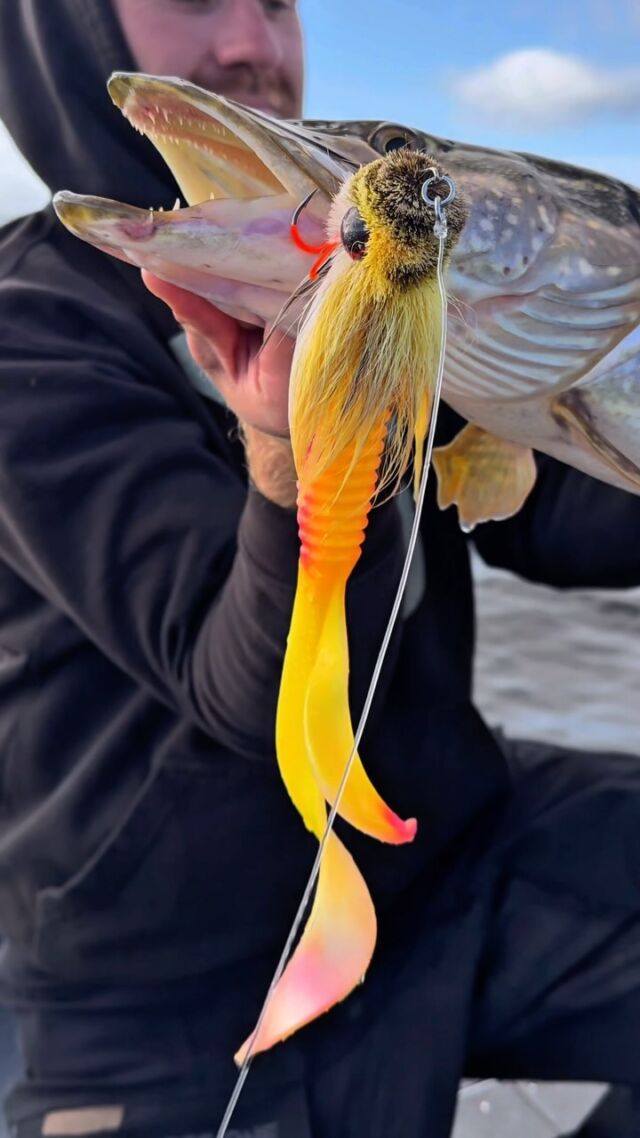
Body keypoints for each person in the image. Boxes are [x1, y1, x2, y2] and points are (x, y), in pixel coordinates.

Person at [0, 3, 639, 1137]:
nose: (254, 41)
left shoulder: (401, 290)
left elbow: (559, 523)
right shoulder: (26, 331)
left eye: (279, 0)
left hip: (449, 866)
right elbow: (234, 683)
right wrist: (296, 448)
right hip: (164, 985)